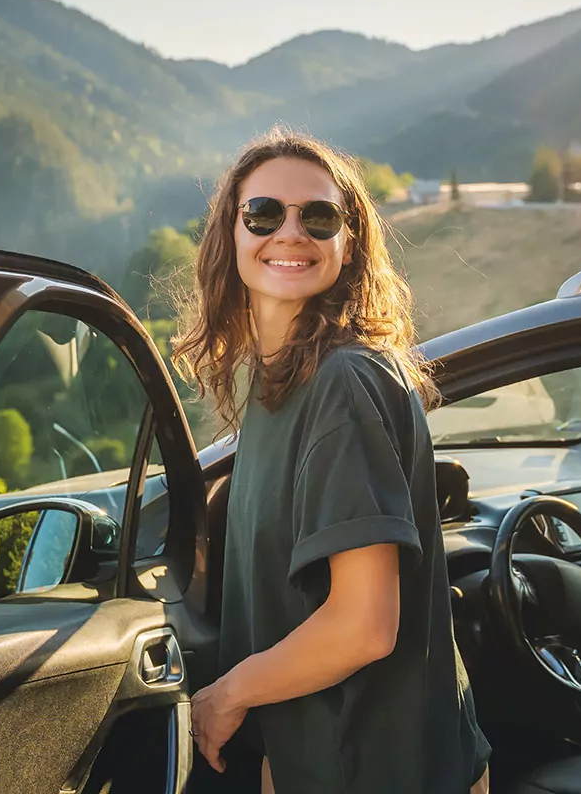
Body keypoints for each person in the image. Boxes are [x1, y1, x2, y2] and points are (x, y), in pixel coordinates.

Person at [173, 129, 491, 794]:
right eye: (264, 214)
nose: (290, 233)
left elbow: (363, 627)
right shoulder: (281, 383)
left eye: (318, 217)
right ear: (230, 232)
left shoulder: (341, 384)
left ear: (350, 243)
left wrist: (226, 696)